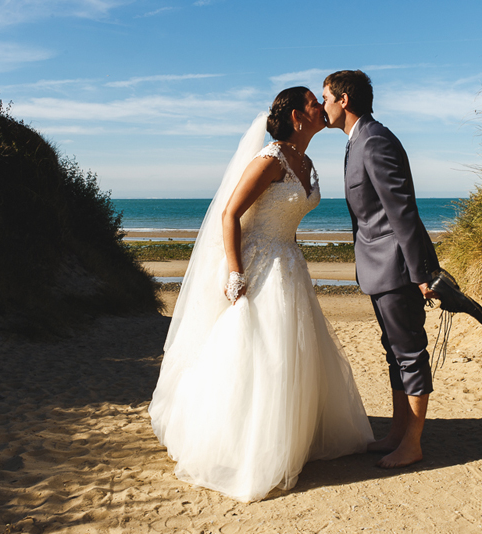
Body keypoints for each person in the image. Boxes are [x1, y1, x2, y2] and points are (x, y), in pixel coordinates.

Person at [148, 87, 374, 502]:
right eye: (312, 101)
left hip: (290, 263)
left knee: (290, 353)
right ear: (295, 117)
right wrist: (235, 272)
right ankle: (242, 446)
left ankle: (288, 440)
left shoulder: (304, 161)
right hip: (258, 264)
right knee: (257, 353)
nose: (320, 106)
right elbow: (230, 214)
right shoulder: (269, 159)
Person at [322, 70, 440, 469]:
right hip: (377, 267)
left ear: (345, 100)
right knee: (394, 354)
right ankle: (396, 432)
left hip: (396, 268)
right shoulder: (357, 141)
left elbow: (401, 210)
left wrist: (421, 272)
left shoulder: (374, 141)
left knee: (409, 355)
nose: (323, 107)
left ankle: (413, 442)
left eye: (326, 98)